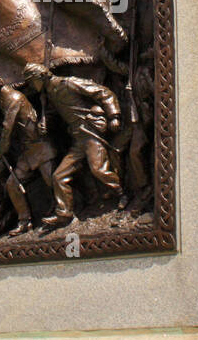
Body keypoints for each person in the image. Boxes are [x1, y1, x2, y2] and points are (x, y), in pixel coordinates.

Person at [22, 63, 125, 229]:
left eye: (32, 81)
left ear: (40, 77)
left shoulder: (68, 83)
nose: (32, 86)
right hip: (78, 139)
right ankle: (65, 214)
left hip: (90, 132)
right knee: (59, 177)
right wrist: (45, 123)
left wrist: (114, 115)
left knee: (99, 169)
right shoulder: (49, 94)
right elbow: (54, 114)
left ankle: (123, 192)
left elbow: (103, 92)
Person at [0, 68, 55, 235]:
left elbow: (7, 128)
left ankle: (68, 213)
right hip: (27, 151)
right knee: (12, 185)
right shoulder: (0, 100)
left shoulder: (13, 98)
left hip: (39, 147)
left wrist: (1, 150)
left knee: (53, 181)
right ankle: (24, 221)